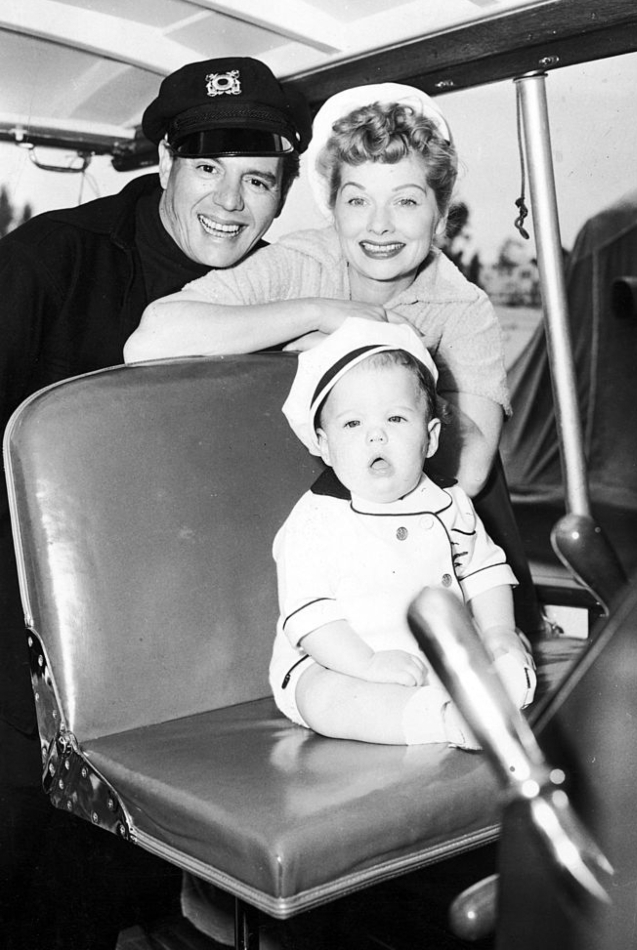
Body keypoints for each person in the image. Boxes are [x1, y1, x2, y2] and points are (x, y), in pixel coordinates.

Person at [0, 56, 310, 950]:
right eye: (207, 166)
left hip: (205, 652)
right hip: (36, 645)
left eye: (259, 179)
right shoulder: (47, 265)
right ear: (163, 160)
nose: (230, 201)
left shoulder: (284, 292)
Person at [124, 83, 510, 499]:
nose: (379, 225)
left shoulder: (462, 307)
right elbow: (148, 343)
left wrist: (358, 351)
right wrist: (316, 315)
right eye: (358, 201)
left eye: (406, 202)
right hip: (270, 491)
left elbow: (467, 469)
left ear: (439, 217)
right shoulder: (300, 260)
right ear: (334, 210)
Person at [271, 318, 536, 747]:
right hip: (339, 660)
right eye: (353, 424)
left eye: (396, 418)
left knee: (508, 651)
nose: (376, 435)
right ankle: (445, 722)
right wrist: (368, 664)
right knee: (327, 698)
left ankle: (500, 690)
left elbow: (484, 571)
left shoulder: (450, 502)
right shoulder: (317, 520)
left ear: (430, 438)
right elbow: (310, 618)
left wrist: (499, 631)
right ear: (323, 444)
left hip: (445, 653)